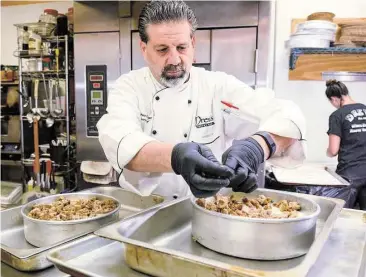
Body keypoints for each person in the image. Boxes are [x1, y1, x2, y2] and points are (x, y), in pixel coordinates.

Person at [97, 0, 306, 199]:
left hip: (209, 210)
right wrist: (176, 158)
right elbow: (120, 139)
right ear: (144, 49)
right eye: (162, 49)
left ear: (193, 43)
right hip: (145, 212)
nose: (174, 60)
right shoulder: (129, 87)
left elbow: (287, 117)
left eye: (181, 47)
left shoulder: (217, 86)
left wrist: (256, 148)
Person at [326, 79, 366, 210]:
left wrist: (327, 151)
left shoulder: (337, 115)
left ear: (334, 99)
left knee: (342, 215)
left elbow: (333, 150)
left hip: (349, 174)